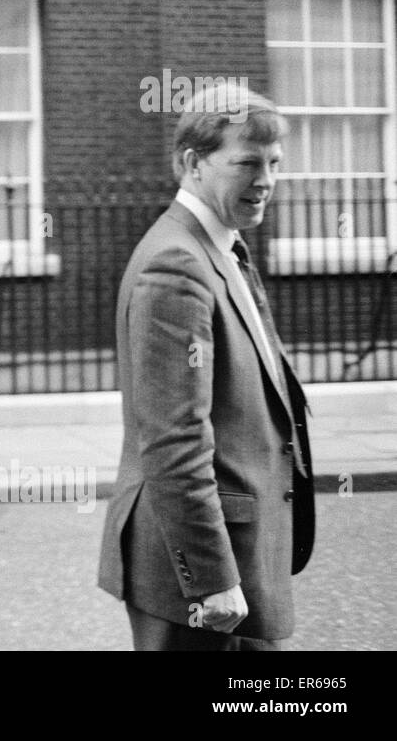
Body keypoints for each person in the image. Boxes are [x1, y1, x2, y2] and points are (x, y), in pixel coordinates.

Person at [98, 86, 314, 650]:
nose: (265, 179)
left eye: (274, 164)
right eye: (246, 163)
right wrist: (212, 579)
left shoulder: (220, 247)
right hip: (194, 577)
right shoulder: (178, 264)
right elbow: (173, 438)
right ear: (192, 164)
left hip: (234, 560)